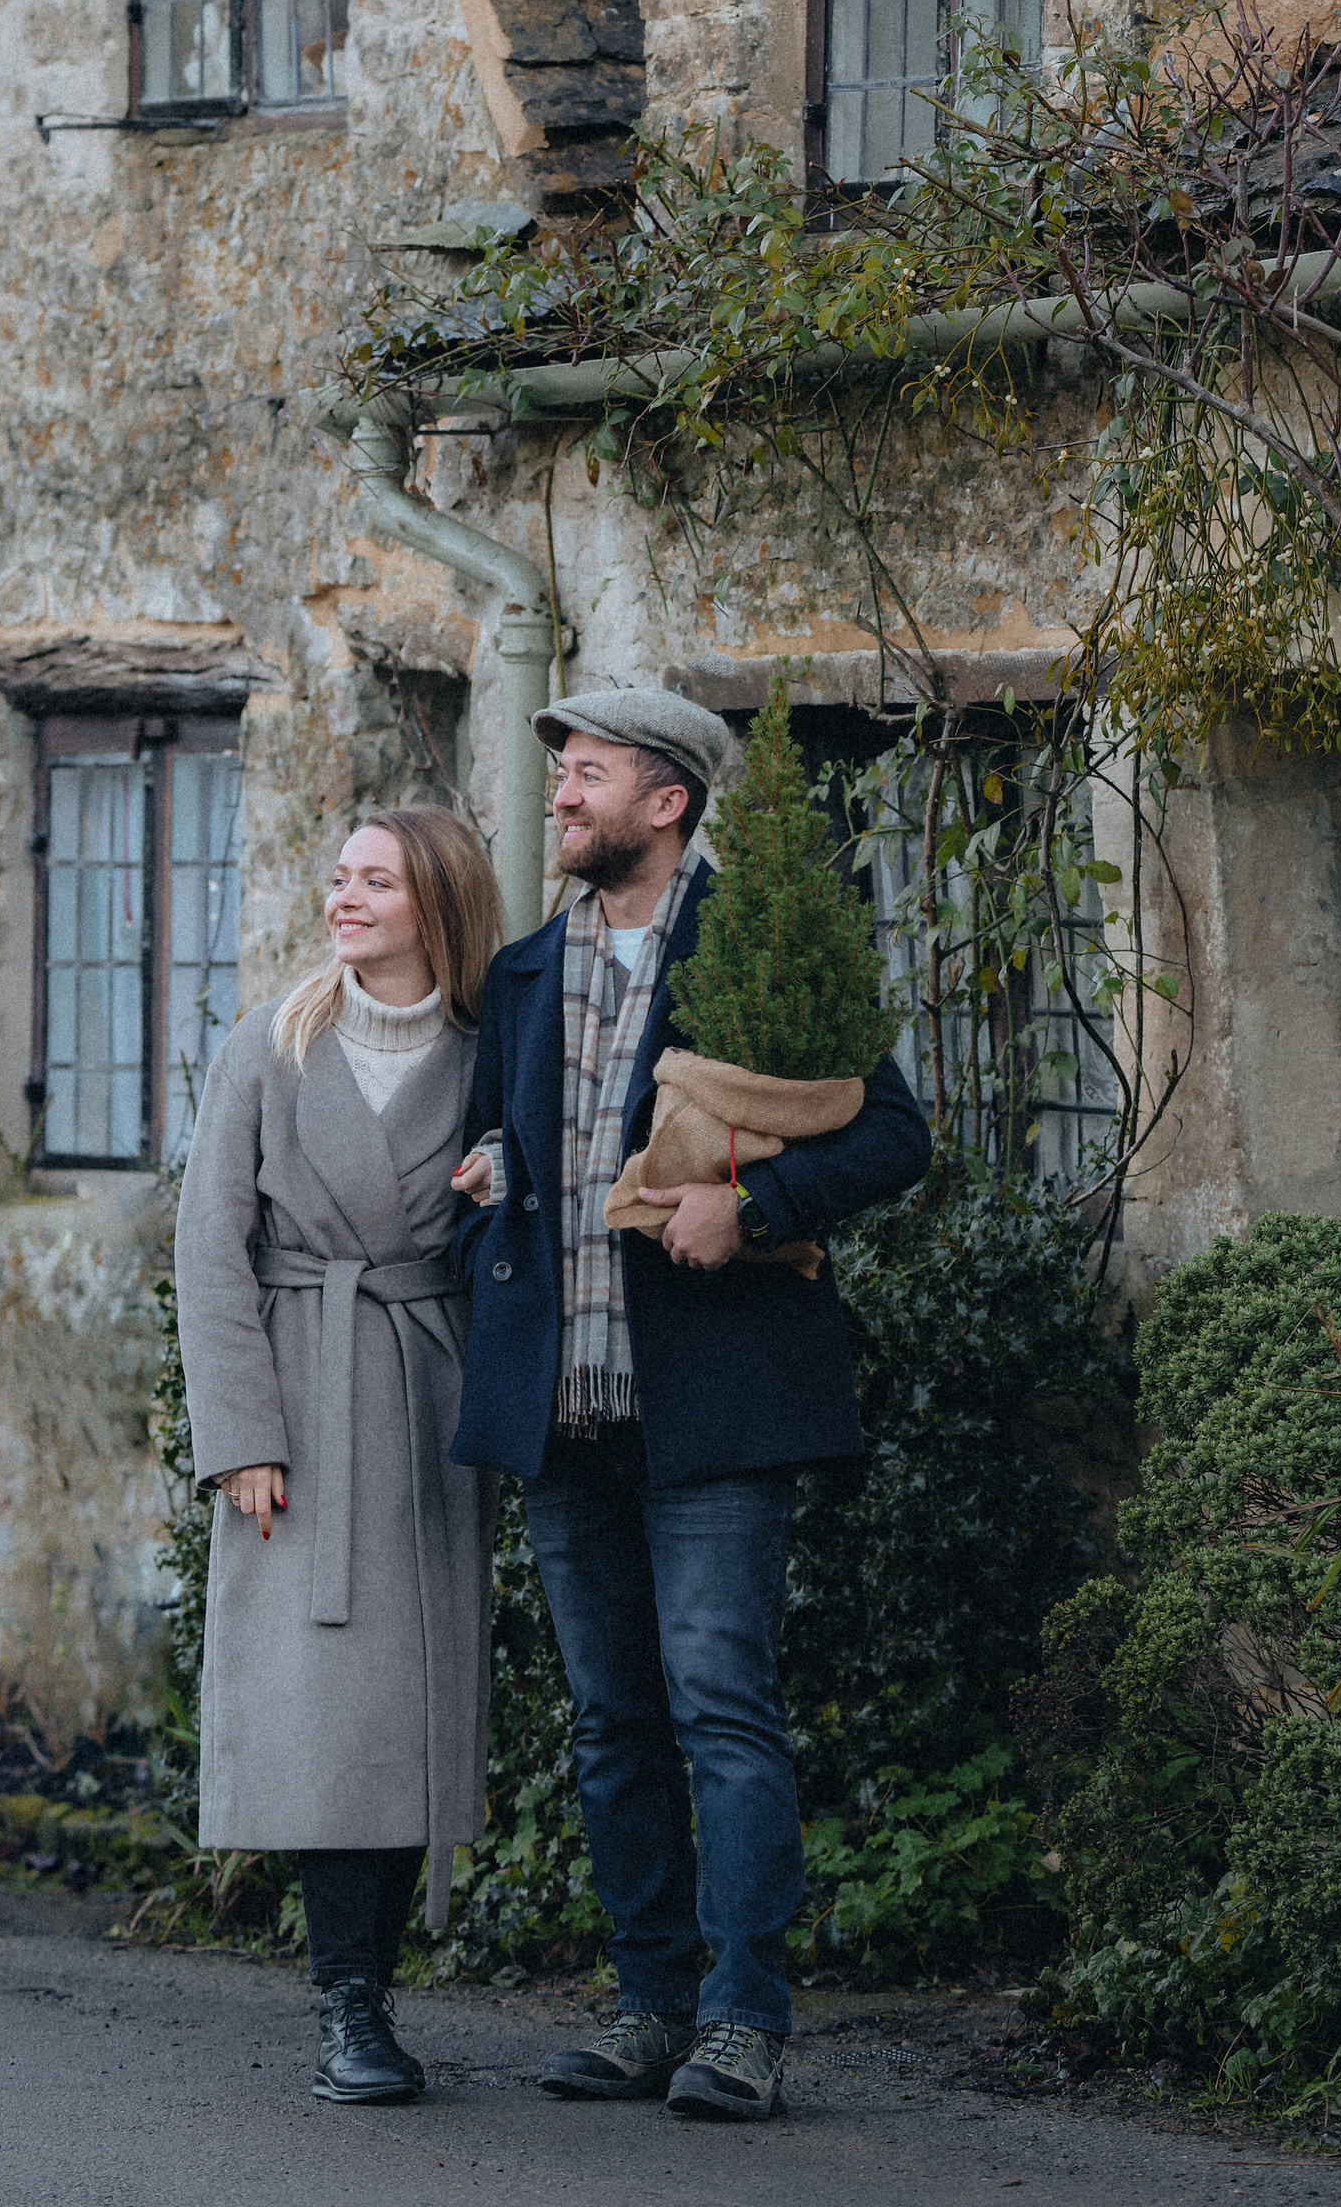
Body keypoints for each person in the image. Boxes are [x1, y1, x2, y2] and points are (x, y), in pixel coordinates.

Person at [449, 686, 933, 2124]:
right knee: (610, 1725)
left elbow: (894, 1133)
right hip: (564, 1406)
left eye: (586, 777)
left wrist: (753, 1200)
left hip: (716, 1405)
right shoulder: (529, 972)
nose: (562, 801)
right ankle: (649, 2006)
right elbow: (498, 1134)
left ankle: (744, 2023)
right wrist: (492, 1180)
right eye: (563, 779)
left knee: (724, 1708)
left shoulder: (753, 947)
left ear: (667, 801)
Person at [172, 803, 504, 2107]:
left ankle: (378, 1987)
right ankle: (348, 2007)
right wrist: (242, 1438)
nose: (344, 899)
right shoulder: (273, 1041)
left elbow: (529, 1198)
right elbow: (210, 1248)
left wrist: (506, 1174)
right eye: (339, 878)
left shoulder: (486, 1056)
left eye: (375, 881)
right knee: (323, 1711)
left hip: (431, 1400)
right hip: (303, 1399)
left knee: (403, 1710)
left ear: (437, 902)